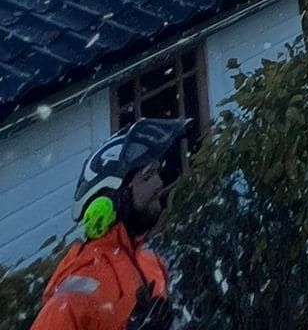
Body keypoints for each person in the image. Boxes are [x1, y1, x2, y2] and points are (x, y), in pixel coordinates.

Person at [28, 118, 191, 330]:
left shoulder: (151, 262)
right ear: (113, 198)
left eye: (156, 173)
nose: (159, 183)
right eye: (148, 175)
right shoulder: (76, 291)